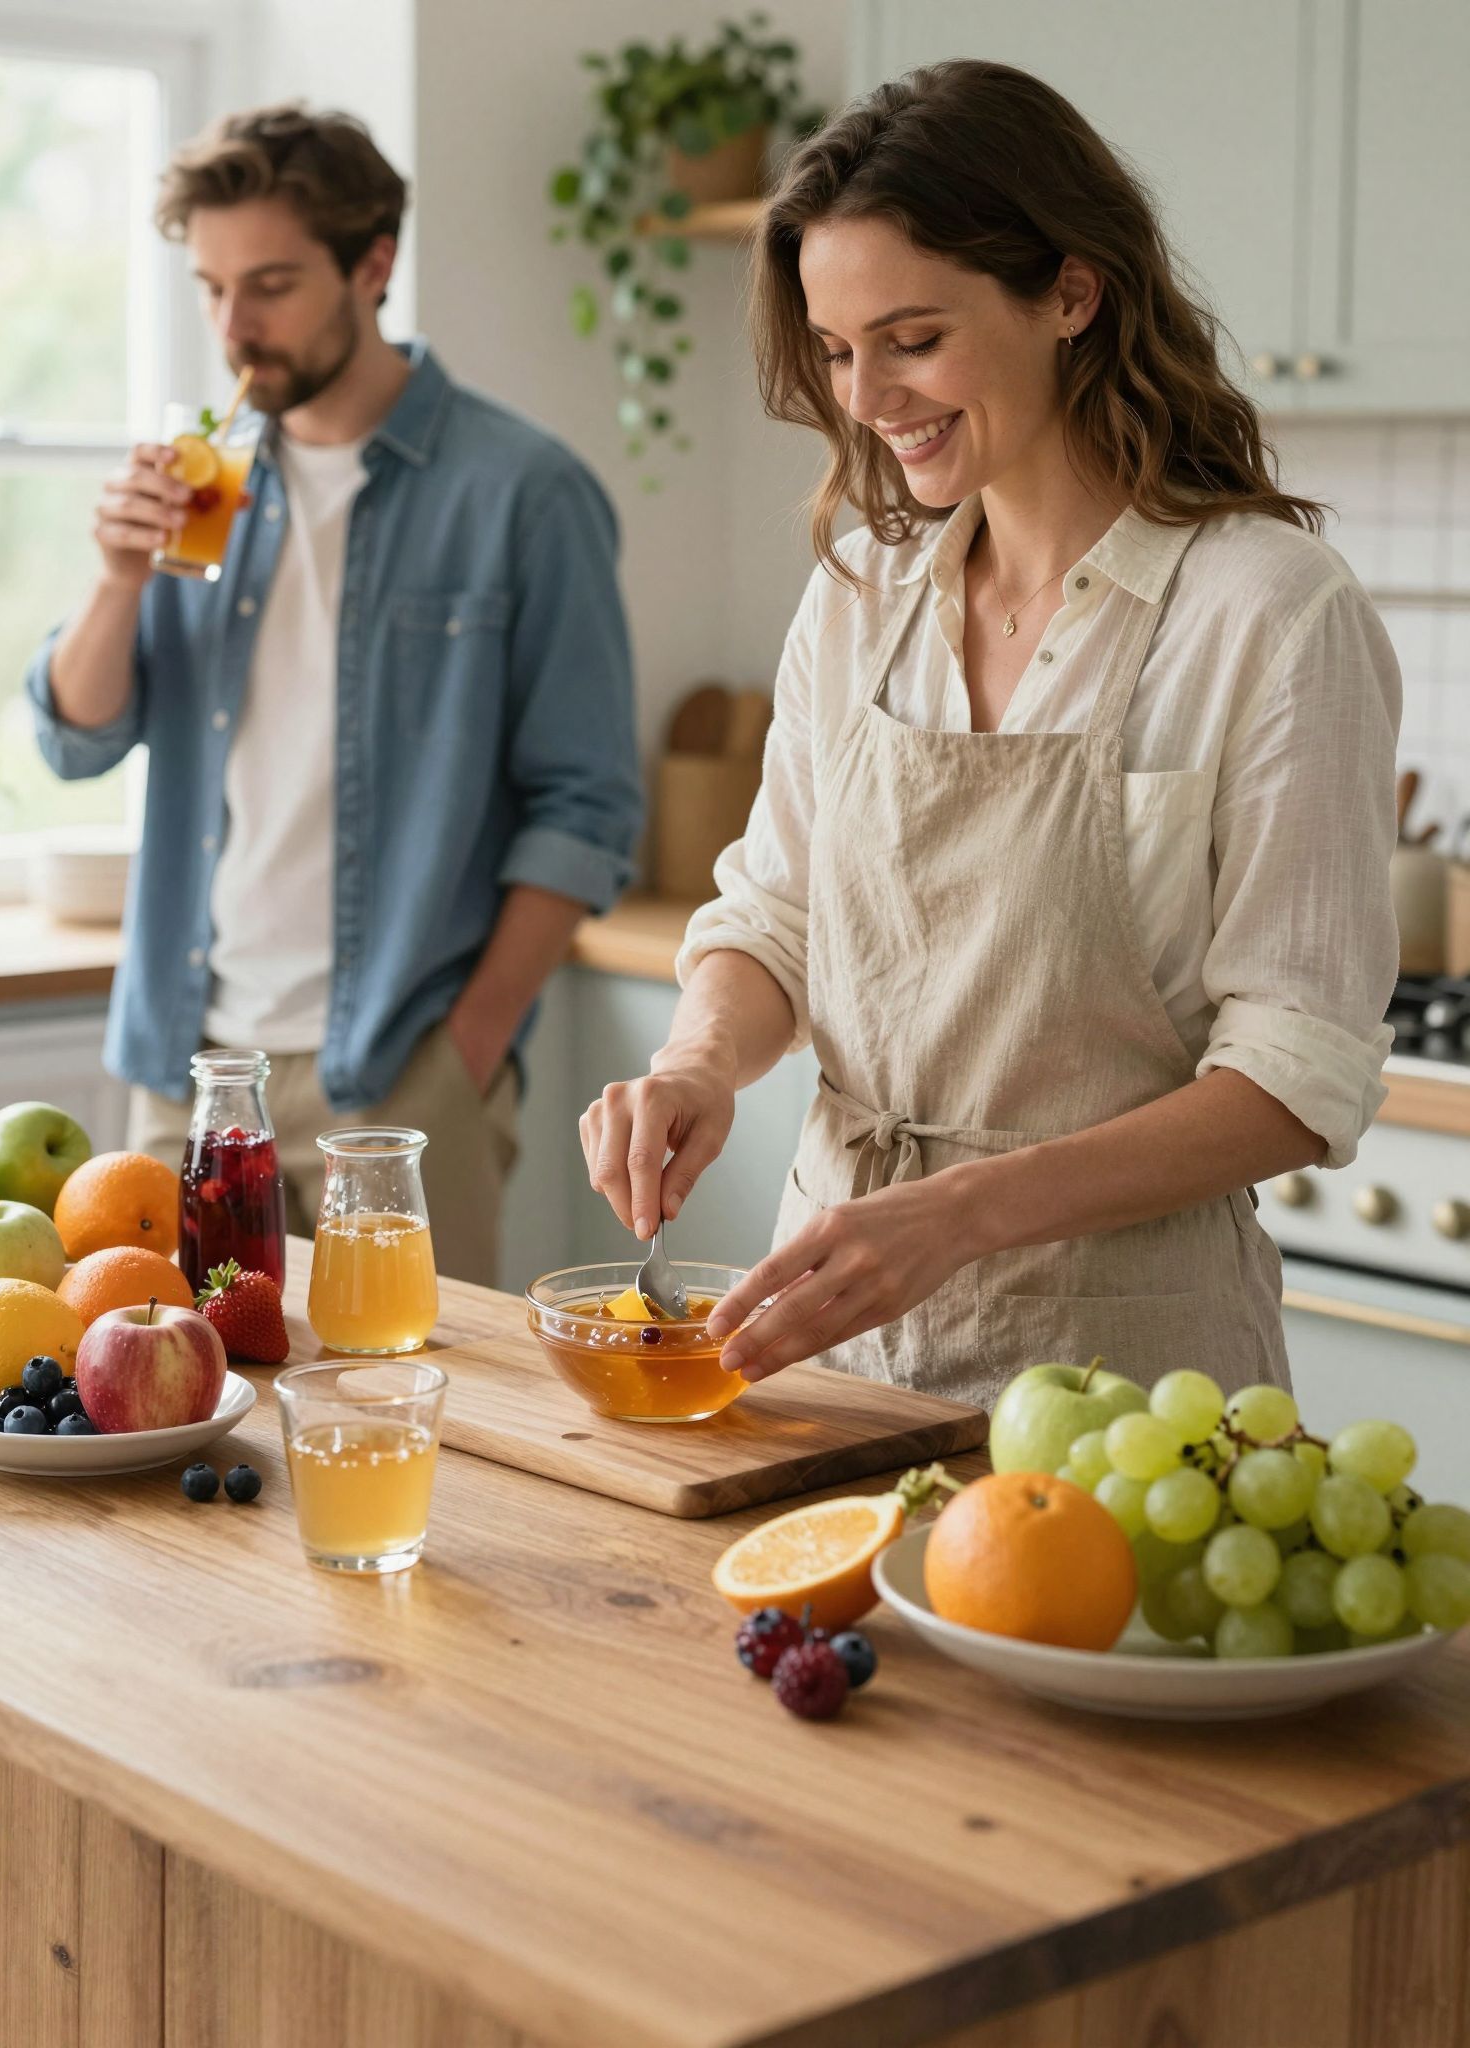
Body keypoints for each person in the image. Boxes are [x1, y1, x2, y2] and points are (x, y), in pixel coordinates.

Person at [580, 60, 1400, 1404]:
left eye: (912, 338)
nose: (867, 396)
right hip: (832, 1348)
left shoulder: (1267, 612)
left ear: (1071, 293)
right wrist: (699, 1063)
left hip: (1124, 1380)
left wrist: (958, 1214)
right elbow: (776, 915)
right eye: (838, 352)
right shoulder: (860, 593)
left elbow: (1295, 1075)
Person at [27, 104, 642, 1285]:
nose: (233, 327)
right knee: (172, 1407)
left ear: (374, 265)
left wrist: (470, 1043)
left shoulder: (523, 493)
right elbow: (78, 736)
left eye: (269, 284)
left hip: (403, 1071)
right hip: (189, 1062)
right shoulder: (201, 479)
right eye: (210, 288)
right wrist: (115, 580)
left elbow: (588, 805)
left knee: (411, 1407)